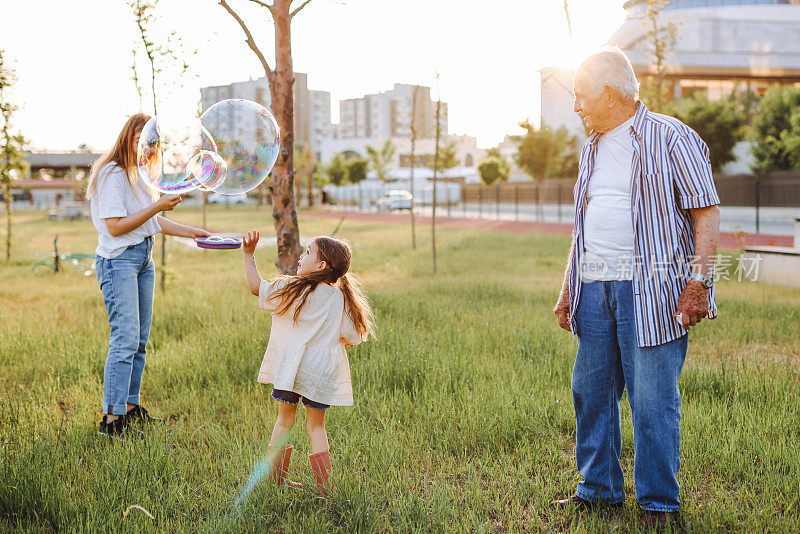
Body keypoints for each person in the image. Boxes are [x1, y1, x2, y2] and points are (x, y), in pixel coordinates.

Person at [551, 47, 720, 529]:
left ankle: (659, 503)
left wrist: (699, 282)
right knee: (591, 390)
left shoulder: (670, 137)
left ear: (608, 94)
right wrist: (569, 287)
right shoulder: (591, 147)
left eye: (582, 97)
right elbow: (583, 226)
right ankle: (599, 489)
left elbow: (705, 212)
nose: (577, 106)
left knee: (652, 398)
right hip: (595, 286)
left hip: (651, 289)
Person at [87, 113, 212, 439]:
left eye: (154, 142)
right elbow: (115, 226)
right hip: (119, 262)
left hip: (143, 258)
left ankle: (130, 409)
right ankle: (111, 422)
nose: (149, 146)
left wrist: (193, 233)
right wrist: (158, 207)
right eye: (143, 140)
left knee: (139, 341)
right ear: (128, 136)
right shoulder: (113, 173)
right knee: (125, 339)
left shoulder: (140, 174)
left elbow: (150, 223)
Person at [241, 231, 374, 495]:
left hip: (291, 368)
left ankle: (276, 481)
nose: (301, 257)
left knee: (284, 422)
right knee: (316, 426)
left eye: (307, 253)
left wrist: (248, 255)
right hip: (322, 371)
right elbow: (351, 336)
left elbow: (257, 287)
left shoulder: (291, 287)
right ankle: (325, 488)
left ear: (322, 265)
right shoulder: (341, 298)